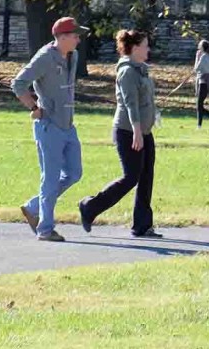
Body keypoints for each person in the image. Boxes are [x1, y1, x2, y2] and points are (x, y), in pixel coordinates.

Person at [77, 29, 163, 239]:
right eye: (144, 45)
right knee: (130, 177)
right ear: (134, 48)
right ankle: (89, 207)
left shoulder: (141, 70)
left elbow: (145, 100)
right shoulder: (127, 72)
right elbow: (130, 103)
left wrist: (153, 116)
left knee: (146, 176)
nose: (148, 49)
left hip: (144, 131)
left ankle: (142, 225)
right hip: (128, 131)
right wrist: (136, 131)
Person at [12, 16, 88, 242]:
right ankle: (45, 229)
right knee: (51, 178)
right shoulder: (45, 57)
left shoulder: (72, 56)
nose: (78, 40)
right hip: (49, 126)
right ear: (62, 37)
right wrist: (34, 106)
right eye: (75, 36)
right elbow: (18, 83)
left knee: (74, 173)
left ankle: (33, 206)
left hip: (68, 125)